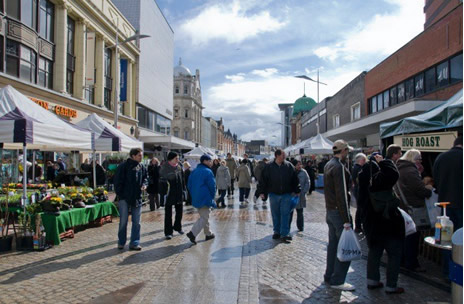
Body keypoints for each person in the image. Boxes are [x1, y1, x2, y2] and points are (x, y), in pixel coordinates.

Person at [359, 152, 405, 294]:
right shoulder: (378, 181)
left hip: (372, 224)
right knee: (394, 254)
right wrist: (384, 162)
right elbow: (393, 174)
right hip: (388, 224)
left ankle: (372, 281)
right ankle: (391, 285)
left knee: (374, 252)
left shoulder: (362, 181)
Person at [323, 139, 354, 291]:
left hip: (330, 210)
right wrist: (347, 219)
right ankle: (338, 279)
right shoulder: (339, 167)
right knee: (344, 247)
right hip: (338, 212)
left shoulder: (329, 164)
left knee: (333, 245)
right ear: (343, 151)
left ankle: (329, 275)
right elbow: (341, 193)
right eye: (347, 151)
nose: (348, 154)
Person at [396, 149, 432, 272]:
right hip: (412, 207)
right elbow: (420, 190)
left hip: (402, 207)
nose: (421, 161)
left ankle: (402, 260)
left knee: (404, 235)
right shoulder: (410, 171)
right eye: (419, 159)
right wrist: (428, 190)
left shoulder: (399, 168)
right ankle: (411, 263)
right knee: (412, 236)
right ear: (414, 159)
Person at [257, 149, 300, 243]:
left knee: (285, 214)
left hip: (286, 194)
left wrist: (297, 190)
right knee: (275, 214)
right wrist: (261, 192)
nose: (284, 157)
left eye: (284, 155)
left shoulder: (289, 166)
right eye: (282, 155)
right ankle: (276, 231)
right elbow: (263, 180)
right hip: (273, 194)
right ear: (277, 156)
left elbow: (295, 179)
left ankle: (284, 233)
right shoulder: (269, 166)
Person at [113, 148, 148, 251]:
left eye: (141, 155)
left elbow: (146, 178)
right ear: (133, 156)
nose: (141, 157)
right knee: (123, 221)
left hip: (137, 197)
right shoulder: (123, 166)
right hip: (124, 197)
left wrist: (144, 185)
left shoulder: (141, 167)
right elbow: (117, 181)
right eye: (139, 155)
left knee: (137, 222)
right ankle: (121, 241)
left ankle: (134, 242)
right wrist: (121, 194)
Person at [433, 136, 462, 231]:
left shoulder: (441, 157)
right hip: (461, 203)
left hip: (445, 203)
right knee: (460, 236)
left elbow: (435, 178)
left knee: (446, 235)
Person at [186, 154, 217, 244]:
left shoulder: (194, 171)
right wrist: (212, 197)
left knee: (204, 215)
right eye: (209, 160)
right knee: (204, 217)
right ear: (205, 161)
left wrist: (193, 194)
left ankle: (208, 234)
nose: (211, 162)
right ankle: (192, 233)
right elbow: (212, 186)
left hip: (196, 197)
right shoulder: (208, 171)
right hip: (205, 197)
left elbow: (189, 185)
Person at [159, 151, 185, 240]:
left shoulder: (179, 167)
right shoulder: (164, 167)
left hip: (179, 192)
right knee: (168, 214)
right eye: (176, 158)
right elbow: (161, 182)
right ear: (171, 159)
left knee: (179, 212)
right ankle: (168, 232)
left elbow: (182, 179)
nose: (178, 160)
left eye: (178, 158)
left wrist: (184, 190)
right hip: (169, 194)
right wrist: (163, 195)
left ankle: (178, 227)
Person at [289, 160, 310, 232]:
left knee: (300, 212)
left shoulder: (304, 172)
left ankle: (300, 227)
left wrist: (304, 191)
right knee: (290, 213)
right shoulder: (291, 172)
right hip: (292, 196)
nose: (299, 166)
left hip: (300, 196)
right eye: (297, 165)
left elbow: (307, 182)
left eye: (300, 164)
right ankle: (287, 227)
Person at [352, 153, 367, 233]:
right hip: (359, 190)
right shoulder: (359, 168)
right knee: (360, 208)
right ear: (362, 160)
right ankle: (358, 225)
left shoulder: (355, 167)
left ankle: (358, 225)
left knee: (360, 208)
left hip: (357, 190)